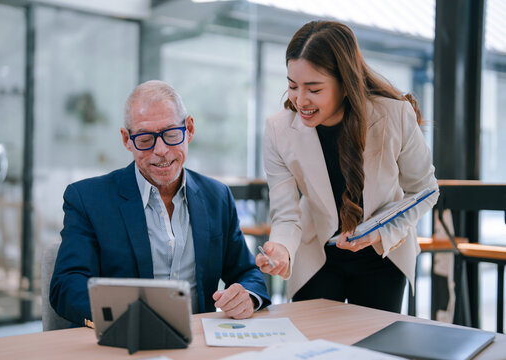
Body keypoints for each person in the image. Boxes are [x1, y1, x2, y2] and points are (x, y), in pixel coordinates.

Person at [50, 80, 270, 327]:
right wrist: (123, 316)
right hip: (126, 340)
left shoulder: (217, 197)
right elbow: (67, 285)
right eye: (145, 139)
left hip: (199, 344)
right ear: (126, 139)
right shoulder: (87, 199)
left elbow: (247, 273)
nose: (162, 150)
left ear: (189, 129)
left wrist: (247, 297)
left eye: (171, 134)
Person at [255, 21, 439, 313]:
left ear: (344, 83)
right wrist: (280, 248)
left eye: (313, 89)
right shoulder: (279, 129)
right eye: (292, 86)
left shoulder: (394, 116)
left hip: (383, 255)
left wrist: (380, 232)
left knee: (373, 350)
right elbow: (286, 214)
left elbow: (426, 191)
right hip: (317, 254)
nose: (300, 100)